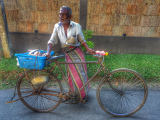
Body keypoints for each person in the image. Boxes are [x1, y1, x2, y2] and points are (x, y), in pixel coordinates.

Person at [43, 6, 95, 100]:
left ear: (69, 16)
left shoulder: (76, 26)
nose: (61, 16)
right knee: (70, 76)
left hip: (77, 54)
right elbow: (51, 40)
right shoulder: (57, 26)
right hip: (67, 54)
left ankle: (83, 95)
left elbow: (82, 39)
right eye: (60, 14)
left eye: (64, 14)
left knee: (81, 75)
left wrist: (88, 49)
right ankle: (73, 94)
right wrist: (48, 52)